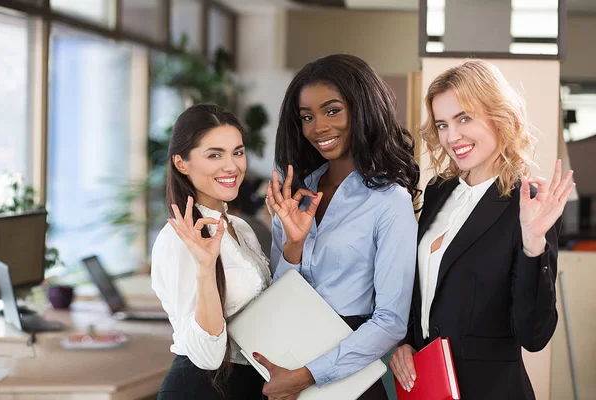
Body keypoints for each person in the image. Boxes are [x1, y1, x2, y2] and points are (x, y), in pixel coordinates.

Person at [389, 60, 575, 399]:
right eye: (442, 124)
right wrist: (406, 342)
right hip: (430, 386)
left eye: (464, 118)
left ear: (498, 115)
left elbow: (534, 335)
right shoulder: (439, 189)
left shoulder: (528, 202)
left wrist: (534, 244)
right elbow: (426, 288)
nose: (452, 136)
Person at [253, 54, 420, 400]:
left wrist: (306, 376)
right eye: (307, 117)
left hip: (348, 380)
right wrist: (293, 246)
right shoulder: (294, 196)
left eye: (332, 111)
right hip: (288, 364)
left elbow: (390, 321)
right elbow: (279, 296)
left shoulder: (390, 201)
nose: (318, 128)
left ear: (362, 109)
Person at [151, 104, 271, 399]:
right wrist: (206, 268)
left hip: (246, 385)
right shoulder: (178, 240)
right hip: (201, 389)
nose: (231, 166)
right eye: (214, 154)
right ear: (181, 163)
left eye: (237, 152)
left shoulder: (240, 228)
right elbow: (207, 356)